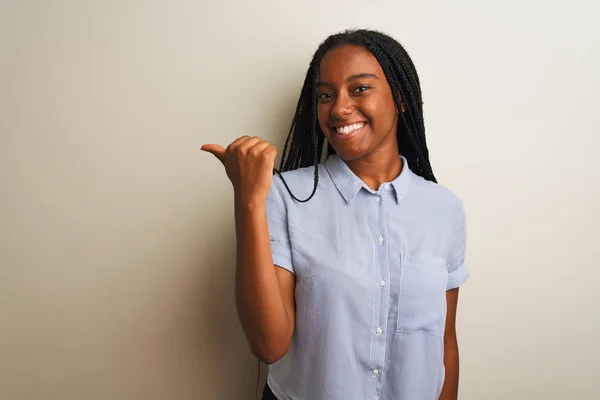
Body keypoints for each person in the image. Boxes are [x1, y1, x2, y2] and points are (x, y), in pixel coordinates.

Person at [201, 29, 469, 400]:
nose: (339, 108)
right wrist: (248, 200)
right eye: (326, 95)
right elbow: (269, 344)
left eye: (360, 88)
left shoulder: (445, 210)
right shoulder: (286, 196)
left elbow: (444, 345)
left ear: (402, 99)